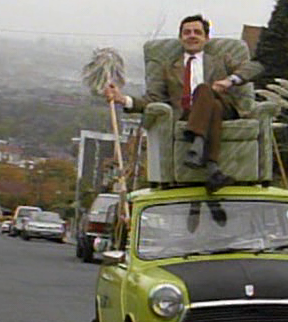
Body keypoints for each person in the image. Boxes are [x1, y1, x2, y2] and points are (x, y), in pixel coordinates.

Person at [103, 14, 263, 193]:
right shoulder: (168, 68)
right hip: (188, 114)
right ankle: (212, 168)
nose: (192, 36)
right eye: (187, 32)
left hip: (227, 110)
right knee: (213, 107)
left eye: (197, 32)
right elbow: (153, 100)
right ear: (181, 38)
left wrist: (230, 80)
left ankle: (197, 142)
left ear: (206, 38)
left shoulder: (221, 60)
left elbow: (255, 67)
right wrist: (122, 99)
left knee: (204, 90)